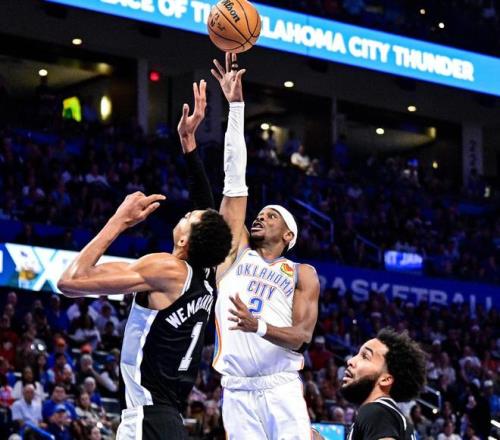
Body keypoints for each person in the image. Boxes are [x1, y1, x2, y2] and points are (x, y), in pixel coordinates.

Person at [57, 80, 232, 440]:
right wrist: (189, 144)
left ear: (184, 240)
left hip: (146, 420)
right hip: (168, 421)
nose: (186, 212)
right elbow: (206, 209)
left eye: (189, 217)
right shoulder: (205, 275)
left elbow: (70, 281)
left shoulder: (168, 269)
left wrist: (119, 220)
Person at [209, 53, 320, 439]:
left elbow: (301, 336)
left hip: (280, 386)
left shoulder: (301, 273)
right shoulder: (234, 254)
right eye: (259, 214)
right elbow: (234, 178)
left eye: (271, 216)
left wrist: (257, 326)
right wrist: (236, 107)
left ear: (289, 235)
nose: (260, 218)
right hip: (235, 389)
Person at [340, 328, 426, 440]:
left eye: (365, 356)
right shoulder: (391, 416)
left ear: (385, 379)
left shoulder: (376, 412)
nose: (350, 361)